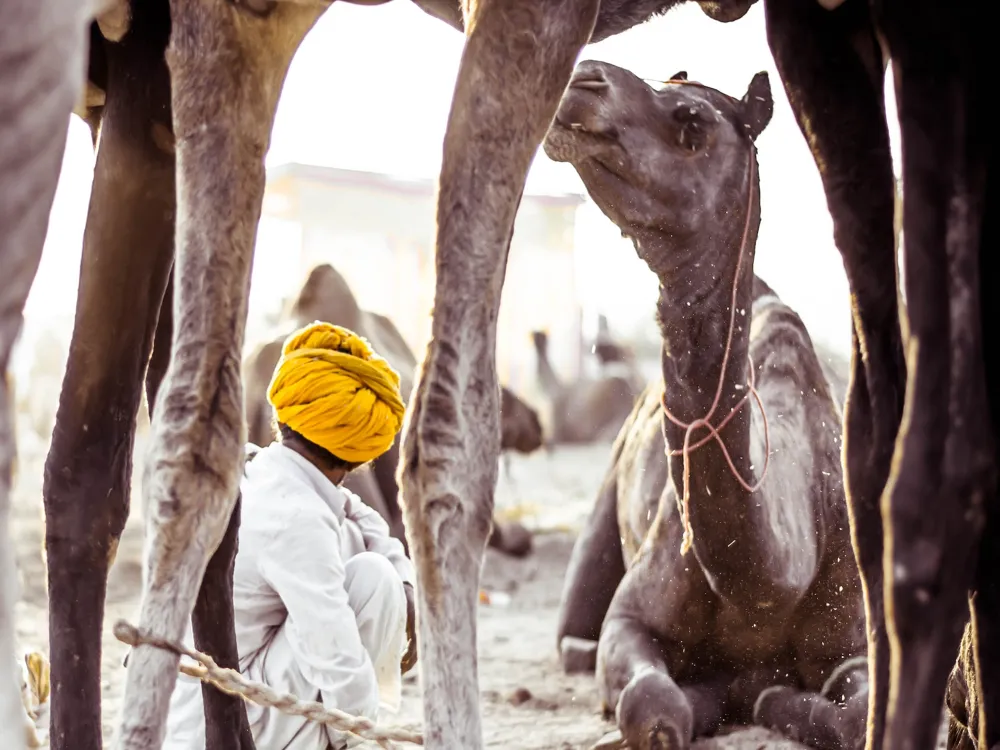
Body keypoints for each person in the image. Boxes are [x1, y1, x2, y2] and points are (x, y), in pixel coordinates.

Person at [162, 322, 416, 750]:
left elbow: (356, 510)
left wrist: (403, 577)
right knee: (374, 581)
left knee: (373, 561)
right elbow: (338, 662)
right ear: (357, 456)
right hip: (220, 725)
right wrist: (361, 737)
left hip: (192, 707)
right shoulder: (299, 519)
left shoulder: (263, 468)